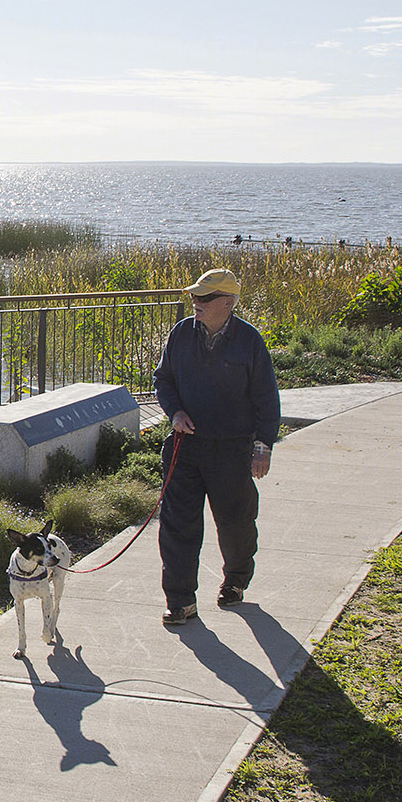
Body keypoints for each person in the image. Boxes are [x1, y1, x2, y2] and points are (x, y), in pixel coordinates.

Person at [152, 268, 281, 625]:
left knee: (236, 523)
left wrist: (263, 445)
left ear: (227, 302)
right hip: (185, 447)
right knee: (178, 526)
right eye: (195, 296)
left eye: (205, 298)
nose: (196, 303)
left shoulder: (249, 341)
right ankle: (180, 601)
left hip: (231, 450)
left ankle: (236, 581)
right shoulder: (181, 334)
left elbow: (266, 397)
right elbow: (162, 379)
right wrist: (174, 412)